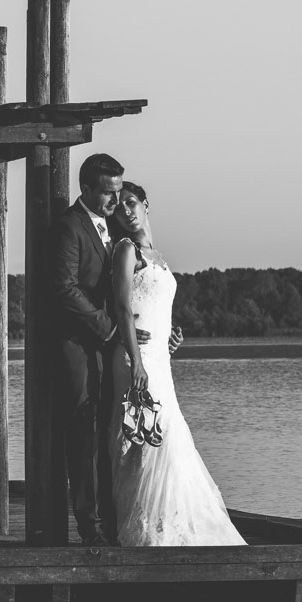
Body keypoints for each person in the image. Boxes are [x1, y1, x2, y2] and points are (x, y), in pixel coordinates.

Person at [106, 182, 244, 547]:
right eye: (119, 208)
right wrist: (136, 360)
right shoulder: (125, 249)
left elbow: (153, 305)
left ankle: (173, 522)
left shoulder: (159, 256)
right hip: (135, 357)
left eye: (132, 203)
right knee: (146, 435)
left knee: (170, 435)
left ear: (146, 204)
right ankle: (145, 528)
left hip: (159, 359)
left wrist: (170, 336)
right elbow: (121, 306)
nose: (127, 211)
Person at [48, 153, 130, 544]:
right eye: (107, 194)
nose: (115, 201)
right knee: (84, 434)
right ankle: (90, 526)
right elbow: (63, 288)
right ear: (85, 189)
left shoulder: (114, 226)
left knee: (110, 432)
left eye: (118, 192)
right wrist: (108, 328)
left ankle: (113, 518)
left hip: (112, 347)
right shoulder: (68, 227)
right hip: (79, 346)